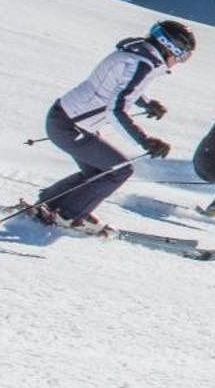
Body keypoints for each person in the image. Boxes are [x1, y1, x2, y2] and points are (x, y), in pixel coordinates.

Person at [32, 20, 195, 230]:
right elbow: (116, 109)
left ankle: (50, 204)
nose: (180, 61)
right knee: (120, 170)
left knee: (99, 171)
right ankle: (67, 216)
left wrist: (146, 103)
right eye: (183, 55)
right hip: (70, 126)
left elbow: (120, 88)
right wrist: (145, 141)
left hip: (66, 120)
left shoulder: (137, 55)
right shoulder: (142, 64)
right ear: (170, 47)